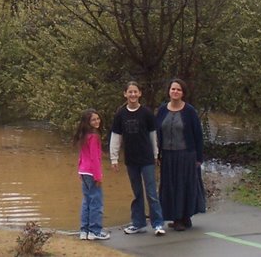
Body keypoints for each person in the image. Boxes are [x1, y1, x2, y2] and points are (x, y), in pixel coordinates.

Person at [110, 81, 166, 236]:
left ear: (140, 93)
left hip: (147, 159)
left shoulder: (147, 113)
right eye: (130, 92)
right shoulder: (120, 114)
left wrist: (156, 155)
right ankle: (138, 223)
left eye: (135, 92)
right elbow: (116, 137)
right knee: (137, 193)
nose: (133, 95)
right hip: (131, 159)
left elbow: (153, 135)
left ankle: (158, 223)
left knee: (151, 192)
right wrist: (114, 159)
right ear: (125, 94)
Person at [155, 78, 207, 231]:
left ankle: (183, 218)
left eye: (178, 89)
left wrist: (199, 158)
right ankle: (176, 216)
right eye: (173, 89)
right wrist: (157, 154)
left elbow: (198, 135)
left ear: (183, 93)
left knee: (184, 186)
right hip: (167, 155)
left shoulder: (189, 111)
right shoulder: (162, 110)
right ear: (169, 91)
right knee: (170, 186)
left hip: (186, 154)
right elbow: (156, 132)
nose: (175, 92)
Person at [72, 108, 110, 241]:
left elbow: (82, 155)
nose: (96, 121)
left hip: (84, 171)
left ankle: (84, 231)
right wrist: (98, 176)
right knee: (96, 202)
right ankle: (95, 230)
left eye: (97, 118)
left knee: (86, 201)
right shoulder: (94, 136)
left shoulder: (84, 135)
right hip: (91, 172)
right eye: (93, 119)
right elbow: (94, 158)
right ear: (87, 122)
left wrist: (79, 171)